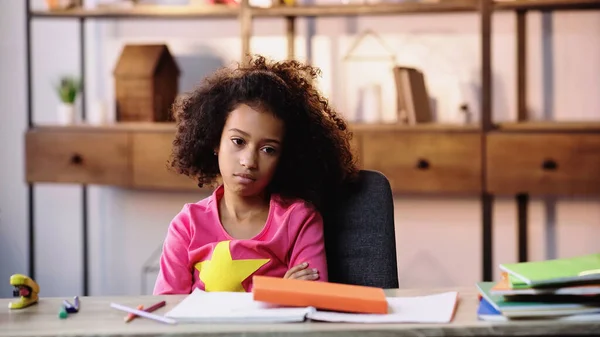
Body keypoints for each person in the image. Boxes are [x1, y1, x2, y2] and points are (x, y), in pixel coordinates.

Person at [153, 55, 358, 295]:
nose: (249, 161)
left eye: (268, 149)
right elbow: (168, 308)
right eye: (238, 141)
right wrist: (280, 291)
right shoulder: (187, 226)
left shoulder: (299, 221)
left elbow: (310, 299)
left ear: (286, 157)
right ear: (214, 141)